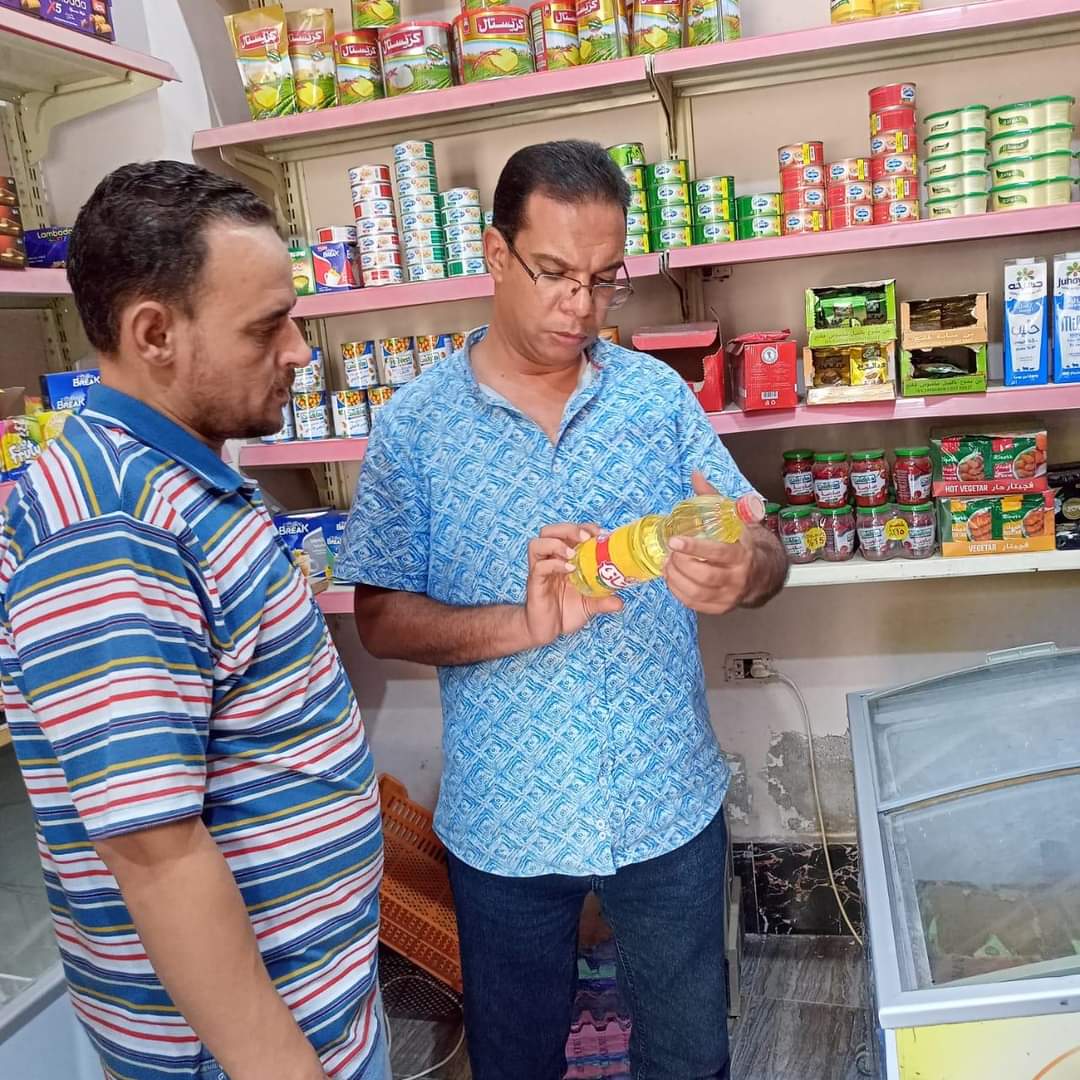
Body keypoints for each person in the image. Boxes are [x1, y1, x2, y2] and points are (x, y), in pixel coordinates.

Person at [335, 139, 788, 1080]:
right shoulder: (415, 427)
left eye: (603, 279)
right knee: (515, 1061)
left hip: (665, 800)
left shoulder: (655, 398)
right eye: (553, 273)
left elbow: (763, 540)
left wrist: (747, 571)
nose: (580, 306)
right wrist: (522, 623)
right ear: (496, 255)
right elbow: (379, 617)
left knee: (692, 1058)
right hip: (506, 821)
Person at [0, 162, 386, 1080]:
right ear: (154, 334)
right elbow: (153, 851)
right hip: (248, 1054)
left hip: (312, 1010)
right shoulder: (112, 528)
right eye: (265, 326)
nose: (298, 351)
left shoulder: (176, 477)